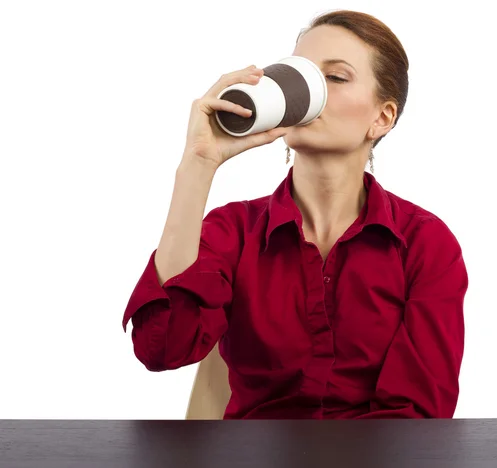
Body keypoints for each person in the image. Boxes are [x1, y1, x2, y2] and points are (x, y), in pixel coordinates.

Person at [122, 9, 469, 419]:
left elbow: (417, 417)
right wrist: (198, 164)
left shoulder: (425, 244)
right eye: (299, 74)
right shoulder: (233, 231)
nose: (308, 91)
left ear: (382, 117)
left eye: (335, 78)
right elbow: (162, 349)